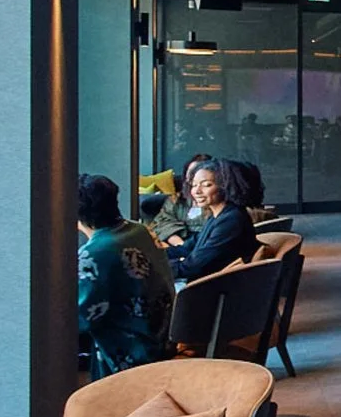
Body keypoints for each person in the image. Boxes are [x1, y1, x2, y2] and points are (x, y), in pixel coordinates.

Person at [76, 173, 174, 375]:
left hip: (128, 357)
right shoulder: (139, 230)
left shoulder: (95, 253)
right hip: (161, 339)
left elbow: (76, 320)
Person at [163, 157, 260, 281]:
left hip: (217, 290)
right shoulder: (218, 216)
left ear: (225, 186)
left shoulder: (231, 220)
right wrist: (152, 255)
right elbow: (187, 248)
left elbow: (193, 266)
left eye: (206, 185)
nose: (196, 191)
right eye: (194, 185)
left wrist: (153, 270)